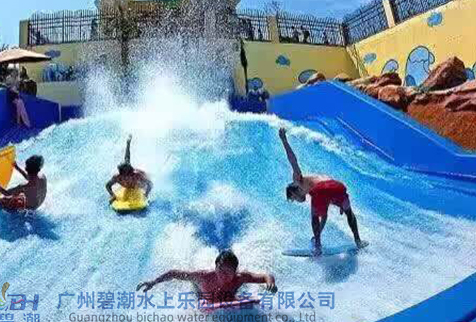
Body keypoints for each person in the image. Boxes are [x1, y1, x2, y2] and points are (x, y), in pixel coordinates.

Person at [278, 128, 363, 254]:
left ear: (293, 192)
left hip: (321, 189)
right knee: (349, 213)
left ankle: (317, 248)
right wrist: (339, 205)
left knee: (314, 217)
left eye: (294, 199)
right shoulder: (315, 184)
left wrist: (284, 140)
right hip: (338, 187)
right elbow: (324, 215)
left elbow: (293, 161)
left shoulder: (298, 181)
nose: (297, 201)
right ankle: (358, 241)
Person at [136, 250, 276, 303]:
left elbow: (266, 276)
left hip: (226, 297)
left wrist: (271, 284)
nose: (223, 275)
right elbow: (173, 273)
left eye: (227, 272)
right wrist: (153, 282)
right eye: (220, 270)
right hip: (201, 294)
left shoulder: (240, 278)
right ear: (215, 267)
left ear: (235, 271)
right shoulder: (203, 277)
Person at [105, 135, 153, 203]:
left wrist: (146, 194)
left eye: (128, 174)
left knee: (149, 177)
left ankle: (128, 143)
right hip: (131, 176)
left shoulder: (136, 175)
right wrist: (112, 195)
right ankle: (128, 143)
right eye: (124, 174)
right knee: (126, 160)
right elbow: (107, 185)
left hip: (140, 179)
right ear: (121, 173)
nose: (127, 177)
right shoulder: (118, 177)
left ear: (130, 172)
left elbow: (150, 184)